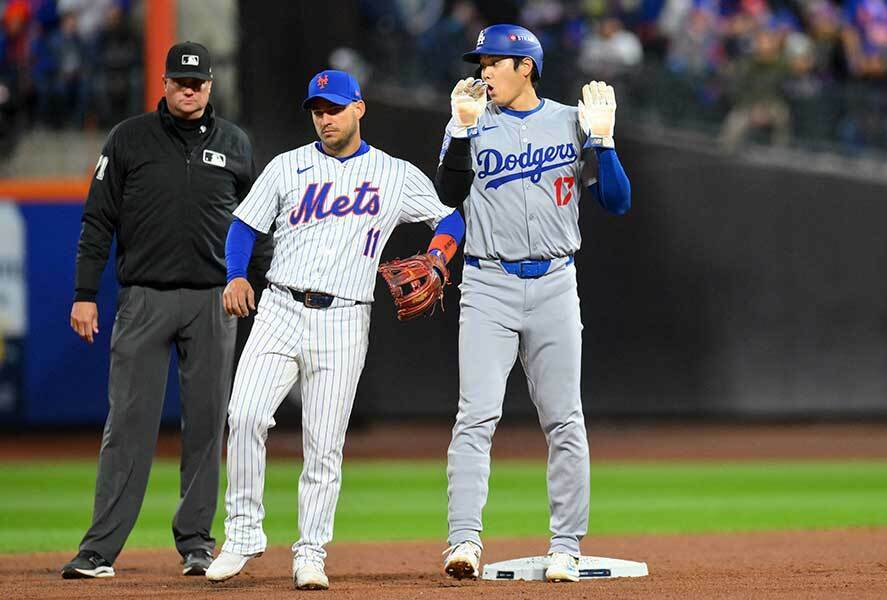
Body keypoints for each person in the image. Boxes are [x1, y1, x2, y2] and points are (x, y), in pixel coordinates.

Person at [205, 69, 465, 591]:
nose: (325, 118)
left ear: (358, 109)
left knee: (323, 444)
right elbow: (244, 225)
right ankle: (242, 534)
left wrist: (438, 257)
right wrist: (235, 275)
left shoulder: (393, 174)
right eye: (317, 110)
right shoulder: (286, 167)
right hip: (279, 306)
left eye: (334, 108)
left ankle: (311, 552)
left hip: (346, 316)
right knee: (246, 414)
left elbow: (452, 215)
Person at [434, 24, 632, 583]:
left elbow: (616, 202)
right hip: (487, 284)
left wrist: (605, 142)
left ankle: (566, 545)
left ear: (526, 66)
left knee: (565, 419)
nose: (483, 72)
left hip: (553, 283)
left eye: (493, 62)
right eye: (481, 62)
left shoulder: (571, 120)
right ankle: (464, 541)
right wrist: (461, 132)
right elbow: (447, 196)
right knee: (475, 416)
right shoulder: (470, 120)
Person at [63, 41, 265, 579]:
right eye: (181, 81)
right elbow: (97, 220)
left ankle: (197, 544)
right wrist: (85, 293)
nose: (190, 90)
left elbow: (262, 223)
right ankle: (99, 550)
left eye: (198, 83)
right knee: (127, 421)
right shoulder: (128, 138)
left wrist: (252, 282)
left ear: (210, 87)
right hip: (144, 298)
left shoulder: (236, 143)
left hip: (213, 300)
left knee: (204, 425)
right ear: (165, 83)